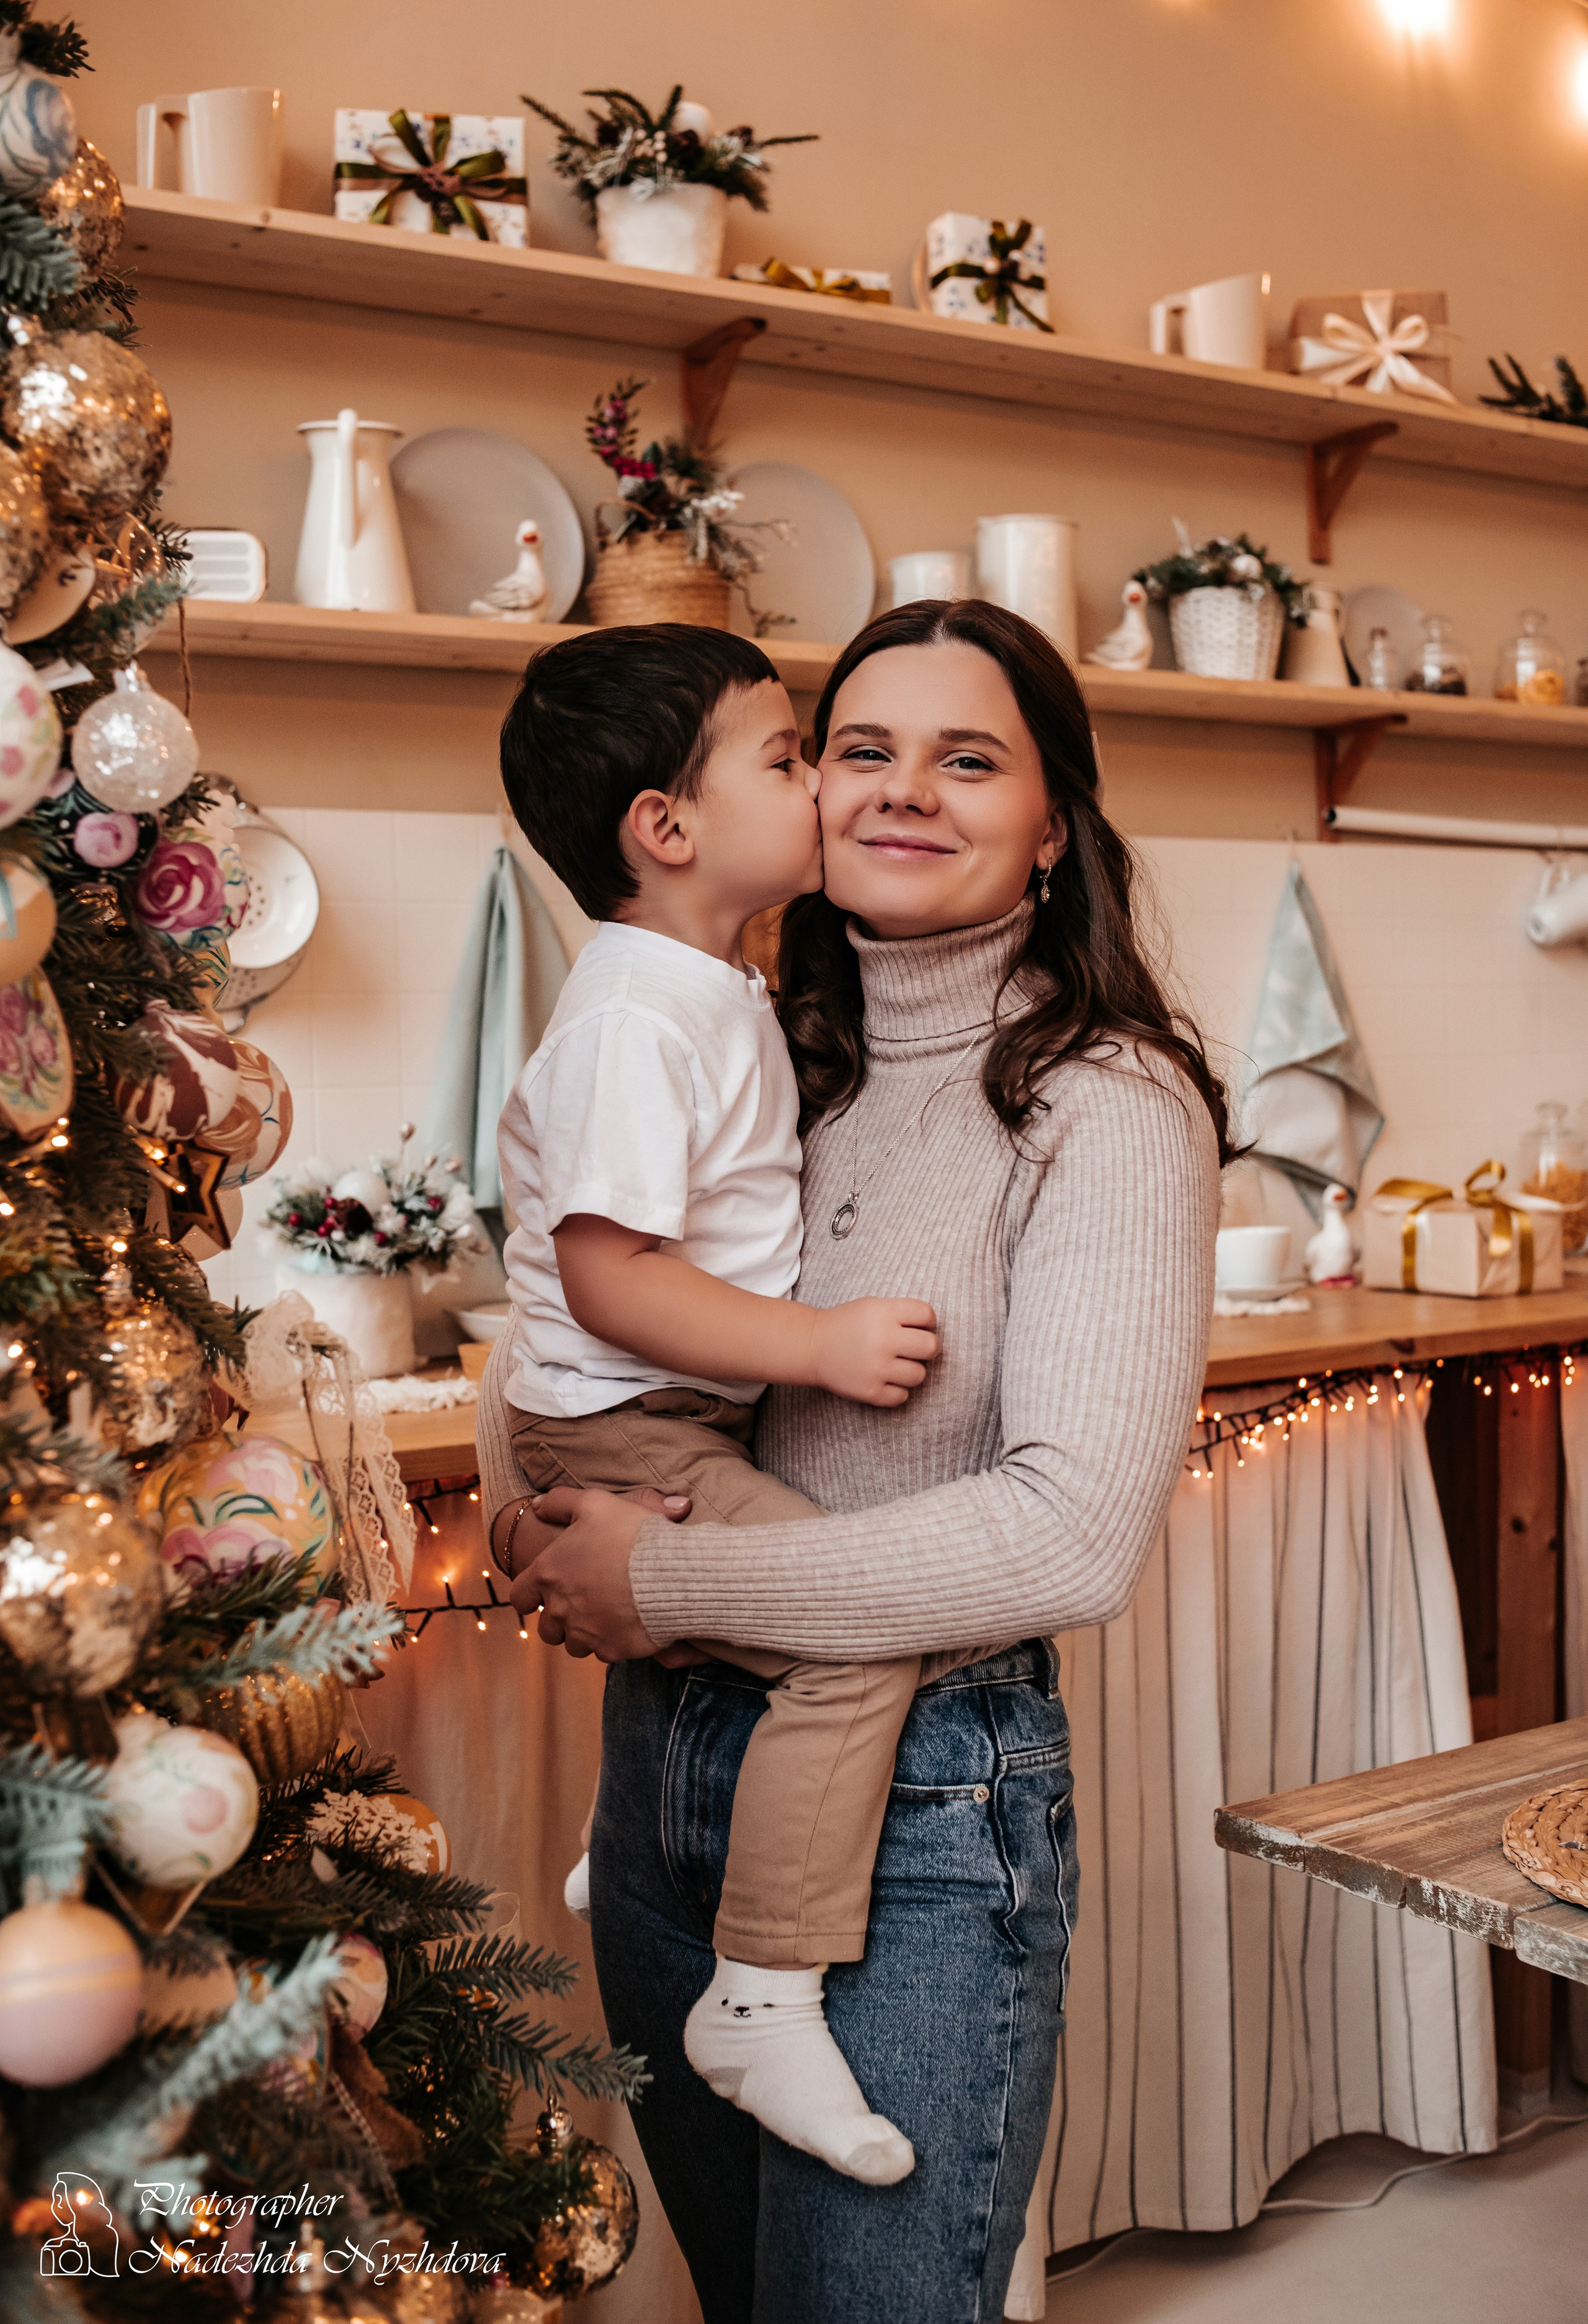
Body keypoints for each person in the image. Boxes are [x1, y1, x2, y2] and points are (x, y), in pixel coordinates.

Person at [483, 599, 1229, 2323]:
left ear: (1055, 823)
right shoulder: (765, 1054)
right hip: (671, 1755)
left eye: (970, 758)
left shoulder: (1103, 1102)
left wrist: (654, 1570)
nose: (899, 790)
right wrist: (547, 1492)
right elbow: (593, 1299)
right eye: (856, 748)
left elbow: (1068, 1539)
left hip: (921, 1803)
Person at [492, 622, 955, 2187]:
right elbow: (612, 1277)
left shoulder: (707, 984)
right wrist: (816, 1346)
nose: (824, 782)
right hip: (635, 1423)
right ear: (663, 828)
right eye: (786, 755)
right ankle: (758, 1993)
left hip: (657, 1419)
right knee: (851, 1634)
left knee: (771, 1612)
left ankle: (647, 1852)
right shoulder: (637, 1016)